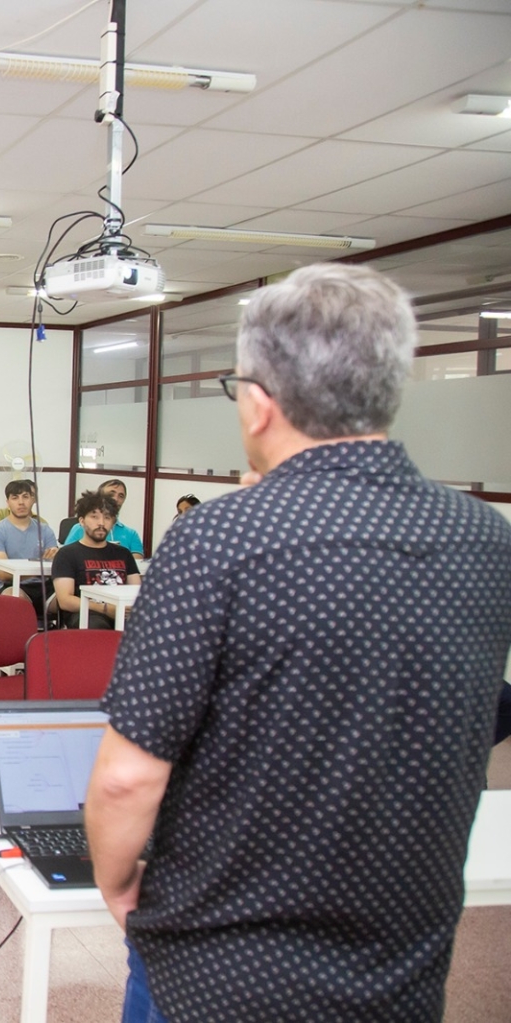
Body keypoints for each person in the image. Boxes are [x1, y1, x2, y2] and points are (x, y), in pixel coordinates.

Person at [83, 262, 511, 1022]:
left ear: (257, 402)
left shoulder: (216, 540)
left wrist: (116, 884)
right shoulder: (484, 538)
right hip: (400, 966)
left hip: (222, 969)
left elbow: (126, 779)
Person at [50, 490, 141, 629]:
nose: (101, 523)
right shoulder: (67, 554)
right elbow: (65, 600)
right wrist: (105, 609)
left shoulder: (123, 553)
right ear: (81, 521)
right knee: (98, 626)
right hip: (87, 613)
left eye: (107, 518)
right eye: (94, 517)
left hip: (123, 613)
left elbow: (137, 591)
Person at [0, 479, 58, 620]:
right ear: (8, 502)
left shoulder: (45, 530)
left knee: (69, 598)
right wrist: (37, 570)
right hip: (12, 586)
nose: (21, 502)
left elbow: (54, 563)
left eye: (25, 497)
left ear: (33, 499)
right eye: (15, 497)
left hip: (45, 587)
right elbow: (4, 574)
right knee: (15, 598)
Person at [62, 479, 143, 554]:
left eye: (121, 496)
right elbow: (66, 555)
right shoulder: (79, 528)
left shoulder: (131, 534)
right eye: (111, 494)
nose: (116, 499)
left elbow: (137, 561)